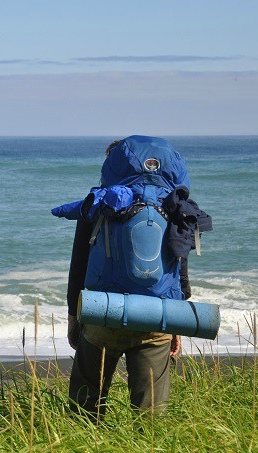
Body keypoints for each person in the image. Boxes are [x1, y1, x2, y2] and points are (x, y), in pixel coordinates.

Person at [65, 139, 187, 420]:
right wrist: (176, 322)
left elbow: (79, 266)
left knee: (86, 409)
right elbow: (179, 268)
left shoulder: (97, 203)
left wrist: (74, 315)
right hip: (156, 318)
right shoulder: (173, 204)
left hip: (103, 314)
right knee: (151, 414)